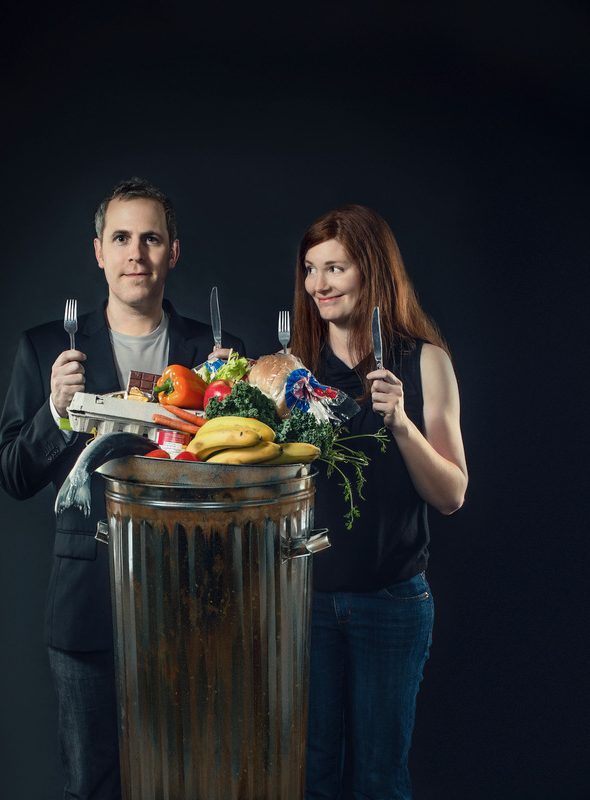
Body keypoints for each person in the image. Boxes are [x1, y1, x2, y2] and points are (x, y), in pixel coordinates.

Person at [0, 177, 246, 800]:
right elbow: (12, 476)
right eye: (123, 238)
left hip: (195, 601)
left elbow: (242, 478)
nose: (137, 253)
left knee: (191, 781)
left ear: (173, 253)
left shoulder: (219, 352)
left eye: (152, 238)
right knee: (95, 786)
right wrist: (55, 413)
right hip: (89, 605)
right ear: (100, 252)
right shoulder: (47, 348)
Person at [289, 205, 468, 799]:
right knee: (314, 777)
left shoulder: (425, 362)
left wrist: (403, 426)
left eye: (335, 268)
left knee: (378, 780)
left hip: (392, 603)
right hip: (307, 602)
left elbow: (451, 495)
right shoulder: (294, 373)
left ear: (372, 271)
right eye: (312, 270)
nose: (319, 285)